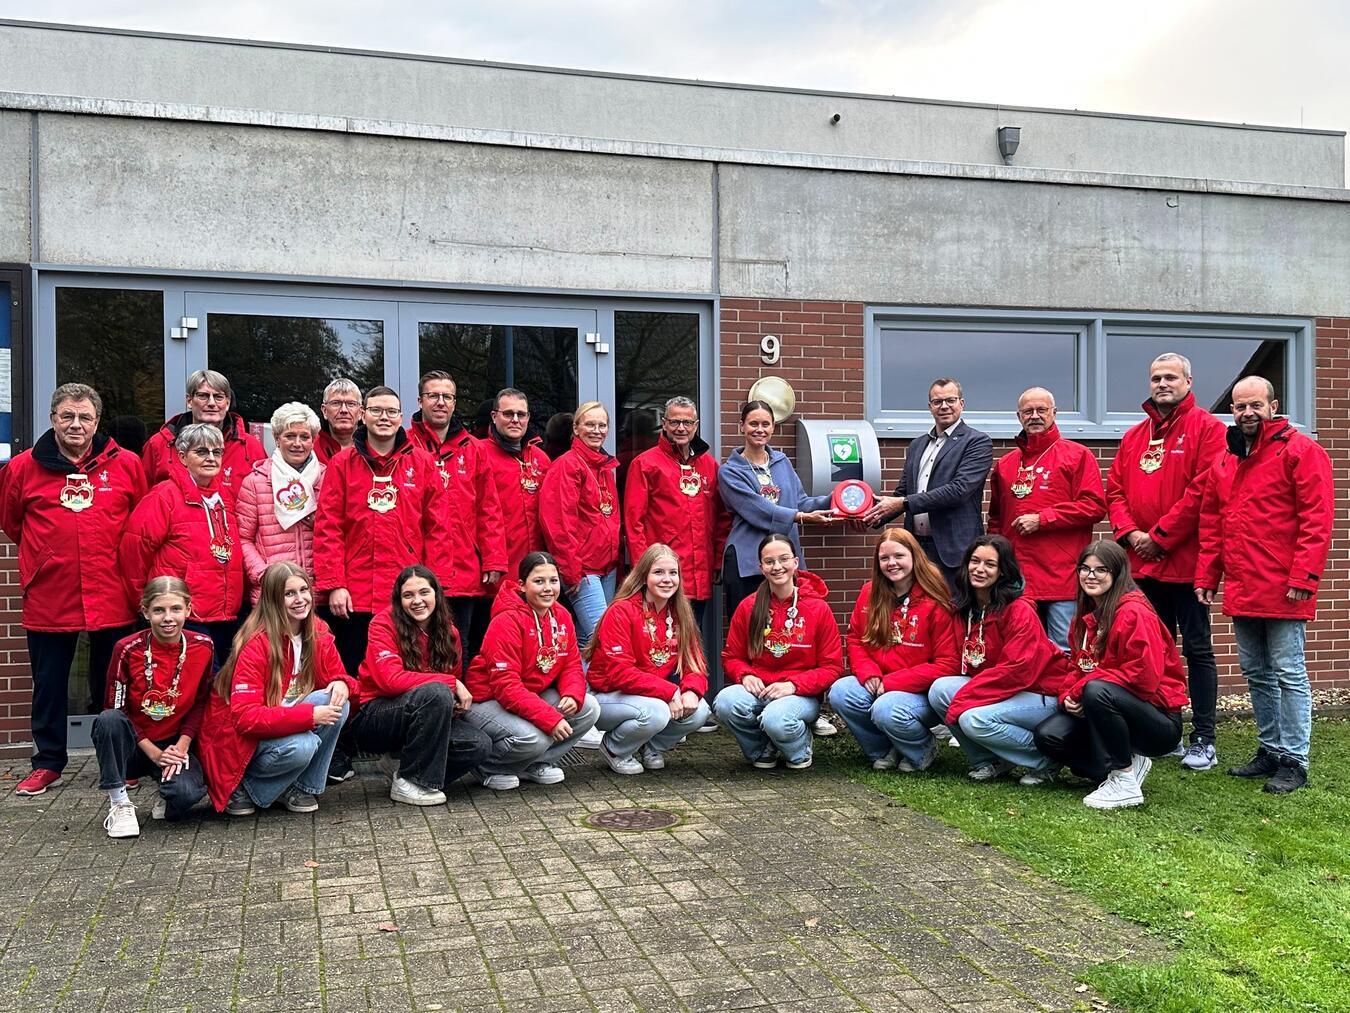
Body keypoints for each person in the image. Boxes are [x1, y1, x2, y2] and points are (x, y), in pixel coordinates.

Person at [1, 383, 147, 797]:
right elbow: (12, 523)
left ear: (97, 421)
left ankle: (117, 761)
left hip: (112, 590)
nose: (76, 424)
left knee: (113, 683)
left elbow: (139, 521)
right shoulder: (22, 468)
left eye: (85, 417)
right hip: (51, 592)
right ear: (53, 419)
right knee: (49, 684)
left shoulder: (127, 464)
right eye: (67, 416)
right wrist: (48, 556)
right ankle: (48, 763)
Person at [1196, 376, 1333, 794]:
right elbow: (1213, 523)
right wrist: (1207, 575)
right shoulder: (1227, 459)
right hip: (1243, 585)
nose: (1248, 413)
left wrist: (1304, 576)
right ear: (1232, 411)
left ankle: (1295, 760)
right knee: (1257, 673)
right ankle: (1270, 750)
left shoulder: (1301, 450)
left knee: (1289, 673)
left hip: (1285, 585)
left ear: (1273, 406)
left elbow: (1317, 518)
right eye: (1240, 406)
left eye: (1255, 405)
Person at [1106, 352, 1227, 771]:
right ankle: (1165, 731)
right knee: (1153, 651)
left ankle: (1204, 738)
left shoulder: (1209, 429)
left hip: (1186, 563)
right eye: (1156, 377)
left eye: (1171, 377)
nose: (1162, 384)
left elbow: (1203, 490)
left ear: (1188, 382)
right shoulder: (1134, 436)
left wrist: (1158, 537)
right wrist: (1130, 534)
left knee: (1197, 649)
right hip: (1141, 565)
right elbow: (1115, 491)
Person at [1032, 542, 1187, 808]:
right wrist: (1068, 696)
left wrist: (1083, 689)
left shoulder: (1134, 613)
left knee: (1097, 690)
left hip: (1157, 719)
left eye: (1101, 570)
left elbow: (1144, 677)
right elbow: (1076, 667)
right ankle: (1123, 766)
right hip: (1103, 704)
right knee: (1049, 736)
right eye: (1085, 569)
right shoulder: (1083, 618)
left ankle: (1124, 781)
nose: (1090, 576)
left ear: (1117, 574)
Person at [313, 386, 450, 676]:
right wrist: (335, 584)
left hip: (407, 593)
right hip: (355, 593)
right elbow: (328, 527)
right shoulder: (342, 463)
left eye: (391, 411)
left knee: (405, 671)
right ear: (363, 415)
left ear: (401, 417)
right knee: (354, 672)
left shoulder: (422, 463)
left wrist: (433, 588)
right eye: (376, 410)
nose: (384, 417)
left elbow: (437, 528)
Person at [198, 562, 354, 816]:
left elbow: (343, 677)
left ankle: (301, 788)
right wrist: (310, 716)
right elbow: (245, 719)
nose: (300, 599)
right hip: (243, 743)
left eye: (303, 590)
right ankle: (243, 787)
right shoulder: (256, 643)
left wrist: (342, 683)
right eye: (289, 594)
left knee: (338, 701)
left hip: (284, 724)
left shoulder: (317, 630)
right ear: (272, 600)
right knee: (303, 745)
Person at [927, 535, 1069, 783]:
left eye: (990, 564)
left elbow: (1017, 670)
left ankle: (1047, 758)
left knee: (973, 719)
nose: (979, 569)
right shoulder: (964, 609)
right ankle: (991, 760)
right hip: (1000, 688)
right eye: (975, 561)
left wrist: (965, 700)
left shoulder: (1019, 610)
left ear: (1003, 571)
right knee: (940, 690)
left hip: (1041, 692)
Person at [349, 565, 492, 806]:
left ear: (437, 594)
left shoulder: (450, 632)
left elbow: (447, 690)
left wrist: (453, 706)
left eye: (424, 592)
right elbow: (390, 680)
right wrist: (450, 684)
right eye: (408, 595)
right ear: (399, 599)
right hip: (374, 715)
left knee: (478, 746)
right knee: (436, 692)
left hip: (424, 714)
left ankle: (403, 769)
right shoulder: (382, 624)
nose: (417, 601)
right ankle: (412, 779)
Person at [461, 552, 601, 790]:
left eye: (553, 581)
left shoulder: (561, 615)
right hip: (489, 699)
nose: (548, 588)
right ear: (522, 585)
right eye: (539, 581)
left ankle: (534, 764)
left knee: (588, 708)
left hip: (530, 693)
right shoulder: (506, 621)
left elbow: (571, 663)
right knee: (534, 736)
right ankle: (489, 767)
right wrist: (549, 718)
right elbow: (506, 687)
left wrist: (572, 694)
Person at [829, 528, 959, 772]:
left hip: (919, 693)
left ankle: (920, 749)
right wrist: (868, 672)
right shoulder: (869, 592)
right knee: (841, 692)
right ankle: (885, 749)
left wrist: (892, 682)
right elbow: (855, 638)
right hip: (878, 680)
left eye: (899, 556)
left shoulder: (934, 600)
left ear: (914, 556)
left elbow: (947, 664)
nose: (892, 563)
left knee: (886, 708)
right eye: (884, 558)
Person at [92, 577, 214, 837]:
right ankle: (119, 802)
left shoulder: (203, 646)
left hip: (174, 743)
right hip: (134, 744)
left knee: (186, 794)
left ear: (188, 609)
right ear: (145, 612)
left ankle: (167, 792)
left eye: (175, 609)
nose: (168, 618)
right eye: (159, 610)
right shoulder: (126, 649)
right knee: (108, 719)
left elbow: (201, 702)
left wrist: (182, 746)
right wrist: (154, 754)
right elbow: (116, 708)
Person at [987, 387, 1106, 650]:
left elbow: (1095, 506)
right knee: (1020, 649)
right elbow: (996, 520)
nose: (1035, 416)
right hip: (1017, 579)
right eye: (1028, 411)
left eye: (1041, 410)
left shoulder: (1077, 456)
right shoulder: (1006, 464)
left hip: (1060, 577)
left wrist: (1043, 519)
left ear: (1054, 413)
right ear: (1018, 416)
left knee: (1063, 650)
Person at [120, 423, 247, 666]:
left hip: (225, 615)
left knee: (220, 683)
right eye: (201, 452)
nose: (211, 458)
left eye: (217, 452)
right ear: (182, 457)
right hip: (185, 615)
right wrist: (148, 602)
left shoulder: (225, 497)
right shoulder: (164, 496)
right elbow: (134, 551)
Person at [714, 534, 844, 770]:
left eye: (783, 559)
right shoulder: (748, 606)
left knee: (776, 718)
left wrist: (793, 685)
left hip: (800, 694)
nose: (777, 567)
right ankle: (763, 749)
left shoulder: (818, 608)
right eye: (769, 561)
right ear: (761, 568)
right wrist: (745, 674)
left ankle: (799, 750)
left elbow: (832, 667)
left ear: (795, 562)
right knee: (725, 702)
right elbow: (732, 657)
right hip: (761, 689)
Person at [585, 544, 711, 774]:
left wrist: (691, 691)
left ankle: (650, 747)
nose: (667, 580)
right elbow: (620, 673)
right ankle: (615, 748)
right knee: (657, 712)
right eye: (658, 572)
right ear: (644, 576)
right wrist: (669, 692)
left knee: (700, 709)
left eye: (673, 573)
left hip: (651, 695)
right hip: (609, 695)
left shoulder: (681, 613)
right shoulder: (621, 611)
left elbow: (695, 665)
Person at [407, 370, 507, 658]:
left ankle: (457, 689)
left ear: (454, 403)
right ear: (420, 401)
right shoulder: (404, 445)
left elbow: (489, 509)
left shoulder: (473, 449)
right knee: (415, 641)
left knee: (458, 641)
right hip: (417, 564)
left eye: (447, 397)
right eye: (433, 396)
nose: (440, 402)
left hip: (463, 564)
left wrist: (493, 559)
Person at [861, 378, 993, 591]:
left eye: (950, 400)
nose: (944, 406)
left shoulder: (977, 442)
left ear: (961, 403)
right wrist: (869, 517)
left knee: (954, 607)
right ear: (930, 407)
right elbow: (903, 492)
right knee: (918, 606)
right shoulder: (917, 445)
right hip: (916, 548)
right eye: (937, 402)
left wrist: (903, 503)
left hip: (953, 550)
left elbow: (958, 490)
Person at [718, 400, 839, 616]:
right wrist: (800, 517)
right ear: (742, 426)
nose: (760, 429)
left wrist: (839, 499)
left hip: (783, 561)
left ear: (773, 427)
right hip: (747, 563)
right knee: (750, 626)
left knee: (787, 624)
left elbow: (801, 502)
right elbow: (758, 510)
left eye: (766, 424)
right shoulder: (730, 472)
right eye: (753, 424)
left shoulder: (782, 462)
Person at [624, 397, 730, 626]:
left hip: (700, 573)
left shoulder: (709, 465)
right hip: (662, 574)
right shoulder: (645, 464)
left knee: (691, 637)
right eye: (674, 422)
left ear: (696, 425)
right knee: (662, 637)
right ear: (664, 424)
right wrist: (643, 568)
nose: (681, 428)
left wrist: (717, 562)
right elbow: (634, 522)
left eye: (687, 422)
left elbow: (722, 517)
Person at [538, 401, 621, 644]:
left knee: (587, 640)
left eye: (602, 425)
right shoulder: (566, 465)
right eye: (590, 424)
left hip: (607, 568)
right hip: (583, 569)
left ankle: (581, 673)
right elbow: (559, 523)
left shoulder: (604, 467)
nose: (597, 430)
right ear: (576, 428)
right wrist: (571, 571)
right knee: (603, 638)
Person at [237, 402, 326, 605]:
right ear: (277, 439)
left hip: (317, 594)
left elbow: (341, 534)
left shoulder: (328, 478)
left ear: (313, 440)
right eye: (289, 436)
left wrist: (319, 526)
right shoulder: (255, 482)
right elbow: (243, 539)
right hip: (273, 594)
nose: (297, 443)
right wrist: (265, 575)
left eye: (304, 437)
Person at [140, 369, 266, 503]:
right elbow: (144, 499)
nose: (211, 403)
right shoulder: (159, 444)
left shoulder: (251, 447)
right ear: (189, 401)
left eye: (218, 397)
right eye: (203, 396)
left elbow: (264, 500)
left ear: (227, 403)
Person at [479, 388, 552, 578]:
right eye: (508, 414)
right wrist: (492, 559)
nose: (515, 420)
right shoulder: (479, 453)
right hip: (498, 565)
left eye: (521, 414)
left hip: (537, 565)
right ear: (494, 416)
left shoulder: (541, 459)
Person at [316, 377, 362, 464]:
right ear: (324, 411)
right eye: (336, 403)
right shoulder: (310, 447)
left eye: (351, 404)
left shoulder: (374, 448)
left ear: (360, 412)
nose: (344, 410)